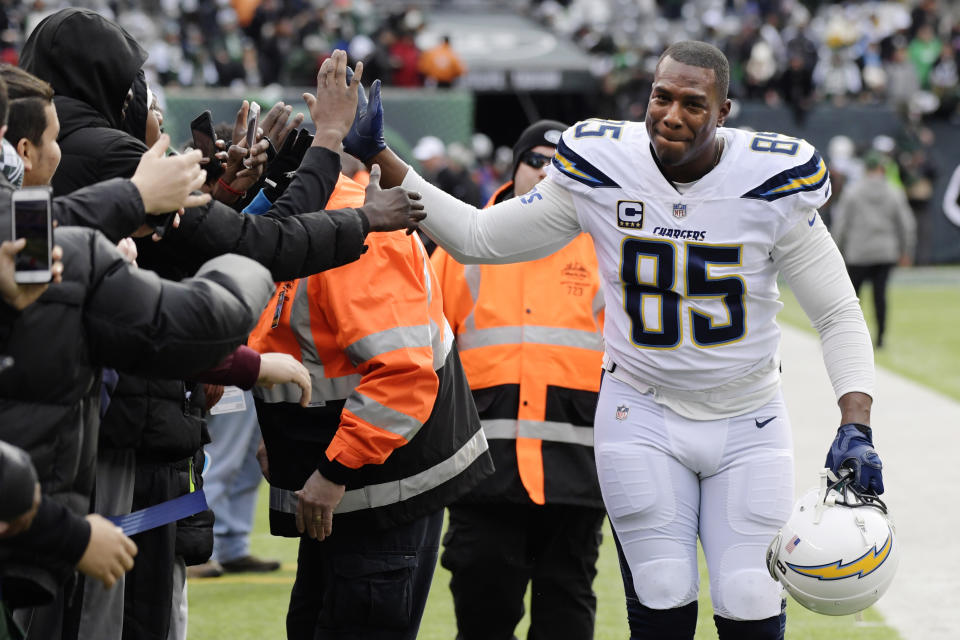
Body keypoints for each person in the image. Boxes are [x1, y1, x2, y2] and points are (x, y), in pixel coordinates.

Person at [338, 41, 882, 640]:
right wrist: (381, 155)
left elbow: (837, 313)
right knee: (662, 593)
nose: (672, 115)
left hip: (748, 418)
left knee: (750, 598)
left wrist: (856, 423)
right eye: (661, 96)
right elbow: (477, 237)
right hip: (641, 409)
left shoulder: (771, 181)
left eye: (694, 104)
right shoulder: (602, 165)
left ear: (724, 111)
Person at [246, 51, 493, 640]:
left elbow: (402, 374)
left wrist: (334, 469)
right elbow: (295, 338)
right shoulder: (322, 223)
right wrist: (277, 436)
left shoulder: (356, 230)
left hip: (376, 490)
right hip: (343, 489)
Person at [431, 119, 607, 640]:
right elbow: (426, 356)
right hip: (483, 475)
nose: (547, 171)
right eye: (536, 160)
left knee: (567, 616)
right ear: (514, 167)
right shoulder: (464, 246)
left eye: (561, 162)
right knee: (483, 615)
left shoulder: (605, 250)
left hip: (576, 474)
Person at [830, 152, 916, 349]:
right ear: (882, 169)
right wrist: (906, 250)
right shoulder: (894, 191)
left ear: (865, 169)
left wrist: (836, 250)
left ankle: (849, 339)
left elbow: (841, 224)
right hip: (885, 251)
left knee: (851, 300)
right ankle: (880, 339)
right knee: (880, 296)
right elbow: (906, 224)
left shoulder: (853, 191)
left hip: (858, 252)